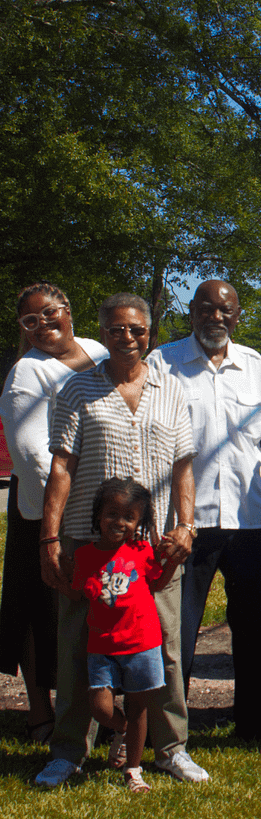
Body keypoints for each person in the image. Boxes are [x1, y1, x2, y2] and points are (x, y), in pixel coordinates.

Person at [36, 292, 208, 787]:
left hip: (153, 550)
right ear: (103, 332)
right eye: (116, 329)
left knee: (167, 648)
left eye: (136, 330)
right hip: (87, 545)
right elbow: (61, 468)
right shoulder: (75, 390)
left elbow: (184, 468)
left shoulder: (171, 390)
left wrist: (185, 526)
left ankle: (170, 748)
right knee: (77, 648)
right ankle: (68, 751)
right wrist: (50, 539)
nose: (127, 338)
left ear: (149, 333)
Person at [147, 279, 261, 749]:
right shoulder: (162, 363)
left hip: (249, 521)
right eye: (206, 309)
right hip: (184, 524)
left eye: (225, 310)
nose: (216, 317)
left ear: (237, 315)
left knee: (256, 630)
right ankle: (168, 731)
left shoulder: (253, 364)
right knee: (176, 632)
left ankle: (258, 726)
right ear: (191, 312)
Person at [0, 283, 107, 744]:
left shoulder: (101, 351)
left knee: (94, 607)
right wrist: (69, 511)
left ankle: (96, 705)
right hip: (46, 511)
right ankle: (41, 710)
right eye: (30, 321)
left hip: (102, 505)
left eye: (50, 313)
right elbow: (29, 455)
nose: (43, 325)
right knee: (38, 610)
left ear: (69, 310)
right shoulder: (27, 373)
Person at [70, 478, 177, 793]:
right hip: (101, 645)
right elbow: (77, 593)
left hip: (142, 644)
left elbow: (157, 584)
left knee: (139, 705)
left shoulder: (143, 551)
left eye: (129, 517)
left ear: (139, 522)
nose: (119, 522)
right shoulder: (87, 555)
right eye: (112, 514)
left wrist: (172, 561)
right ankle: (123, 729)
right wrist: (60, 577)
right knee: (100, 706)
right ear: (98, 515)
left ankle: (133, 769)